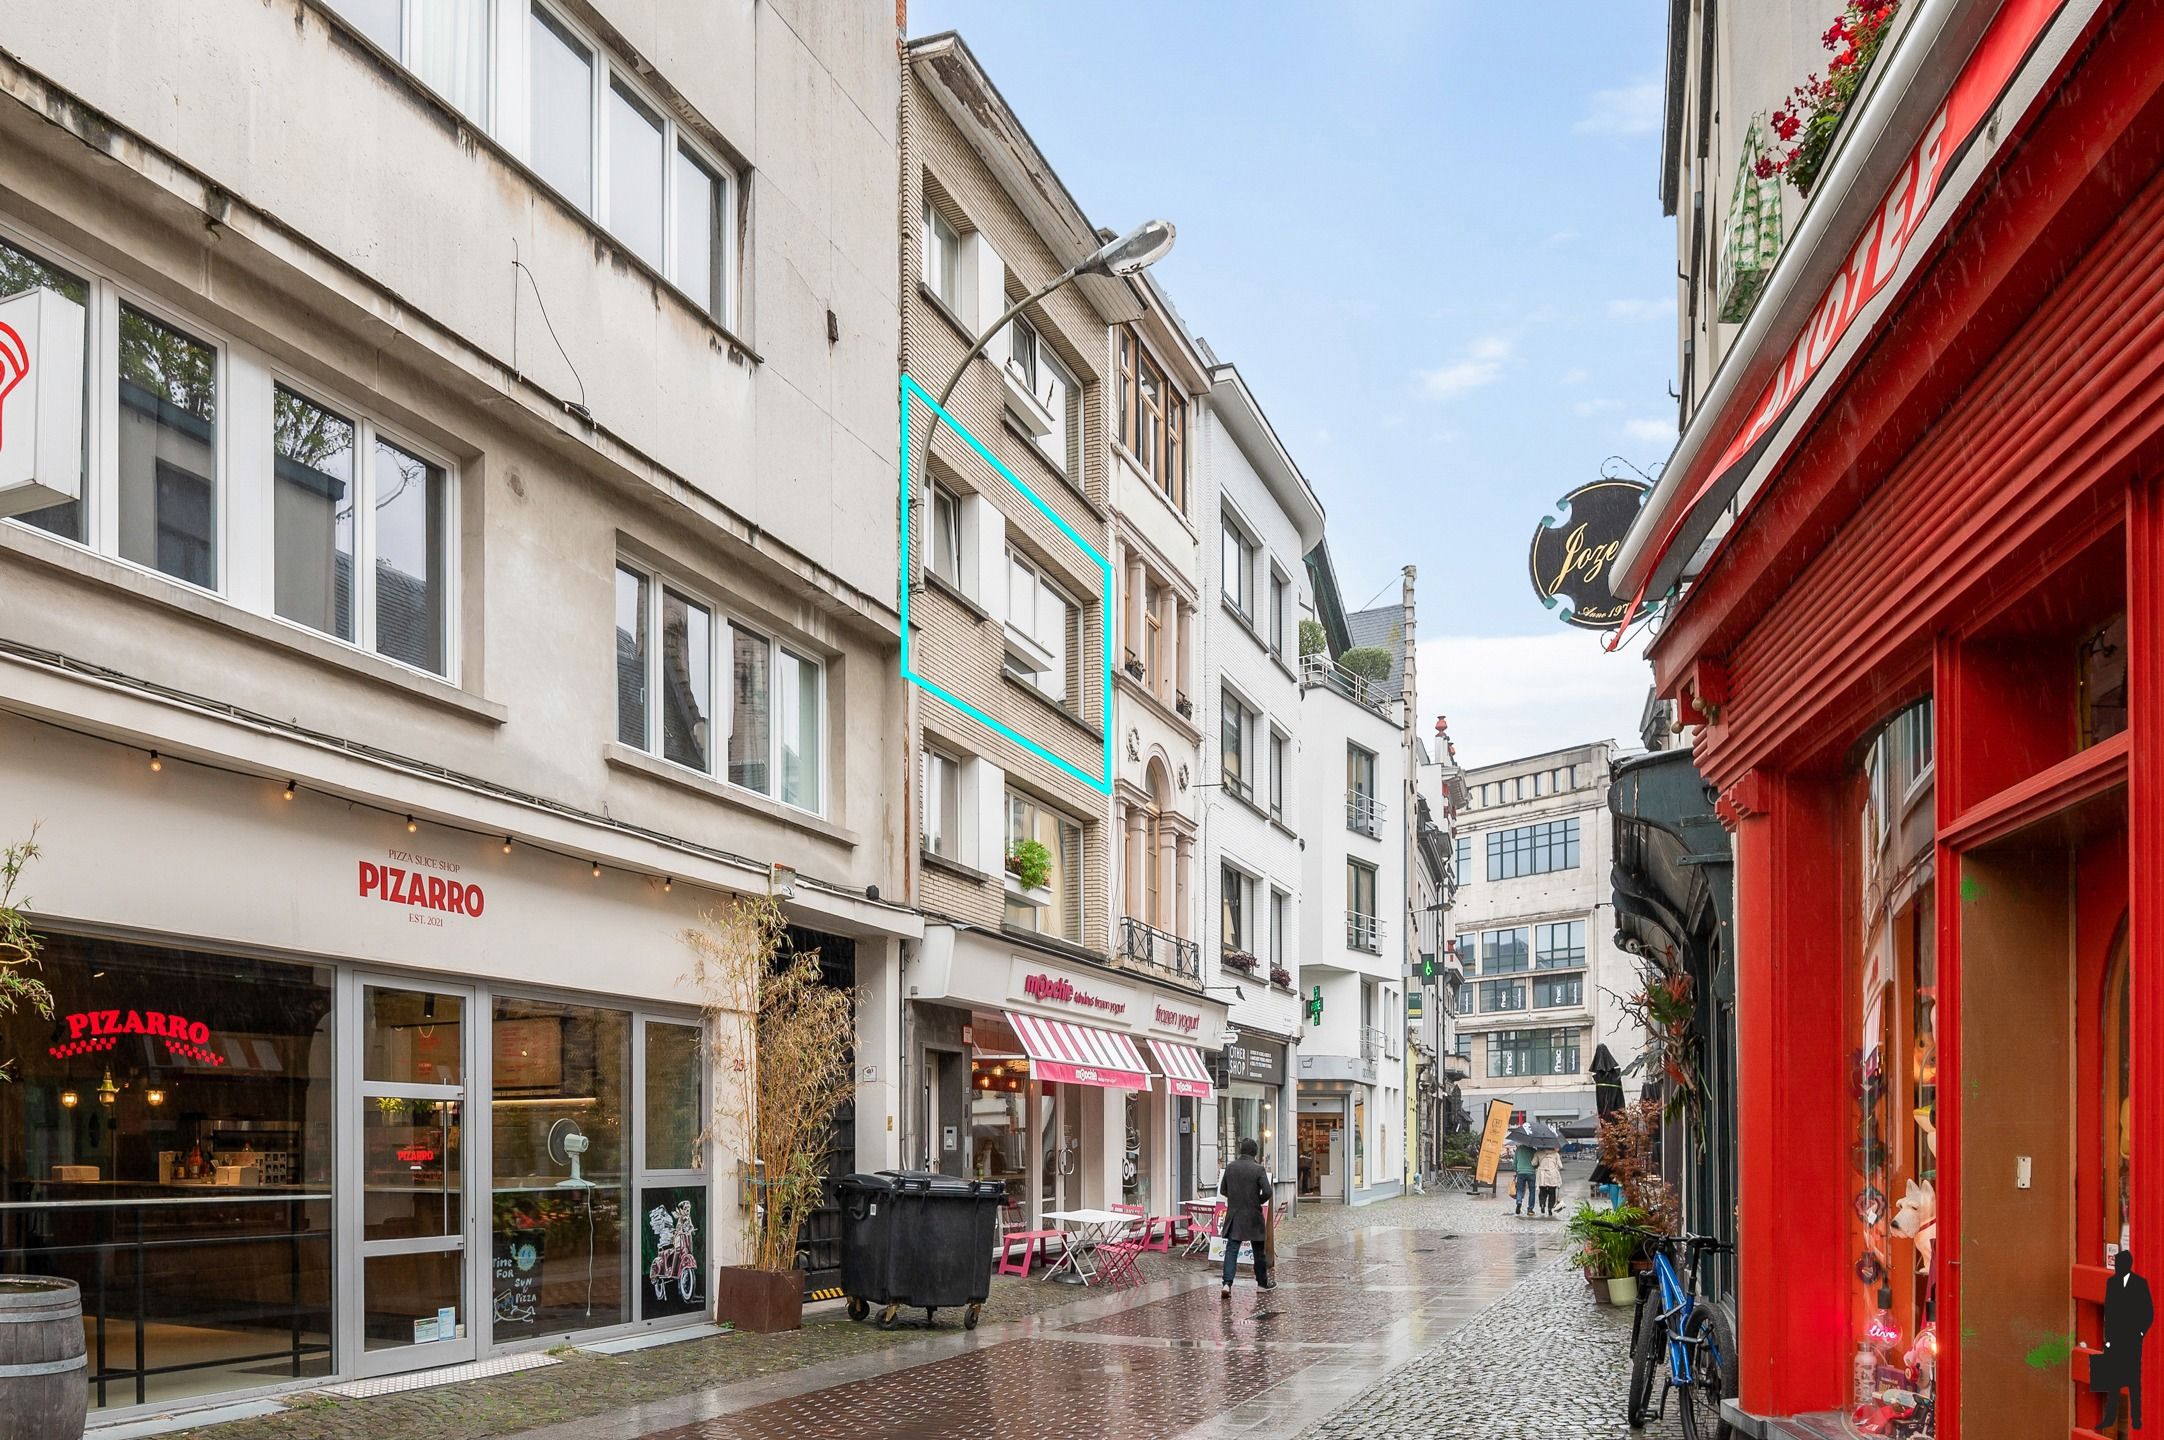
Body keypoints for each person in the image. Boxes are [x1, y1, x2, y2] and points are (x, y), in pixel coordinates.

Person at [2099, 1248, 2153, 1430]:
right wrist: (2107, 1339)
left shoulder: (2140, 1283)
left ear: (2127, 1266)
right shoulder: (2111, 1283)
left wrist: (2139, 1334)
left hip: (2132, 1340)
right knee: (2113, 1381)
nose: (2117, 1268)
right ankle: (2110, 1419)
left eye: (2119, 1265)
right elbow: (2109, 1312)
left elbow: (2148, 1312)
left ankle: (2136, 1419)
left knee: (2133, 1381)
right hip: (2115, 1340)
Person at [1219, 1137, 1275, 1296]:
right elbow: (1268, 1191)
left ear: (1241, 1151)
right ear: (1254, 1152)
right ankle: (1262, 1284)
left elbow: (1223, 1190)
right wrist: (1258, 1200)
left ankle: (1227, 1284)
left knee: (1231, 1250)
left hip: (1235, 1214)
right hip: (1253, 1215)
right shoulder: (1258, 1169)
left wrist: (1235, 1198)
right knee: (1258, 1252)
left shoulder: (1230, 1168)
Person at [1534, 1144, 1563, 1217]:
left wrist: (1539, 1164)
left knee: (1542, 1192)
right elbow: (1560, 1166)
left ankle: (1542, 1204)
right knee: (1552, 1193)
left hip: (1542, 1176)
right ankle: (1550, 1208)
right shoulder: (1556, 1154)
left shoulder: (1538, 1153)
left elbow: (1533, 1163)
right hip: (1552, 1176)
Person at [1511, 1141, 1536, 1216]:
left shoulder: (1519, 1150)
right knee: (1532, 1191)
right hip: (1531, 1172)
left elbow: (1514, 1163)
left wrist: (1517, 1171)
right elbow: (1536, 1162)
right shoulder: (1533, 1150)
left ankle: (1519, 1201)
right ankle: (1530, 1209)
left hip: (1521, 1172)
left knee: (1520, 1189)